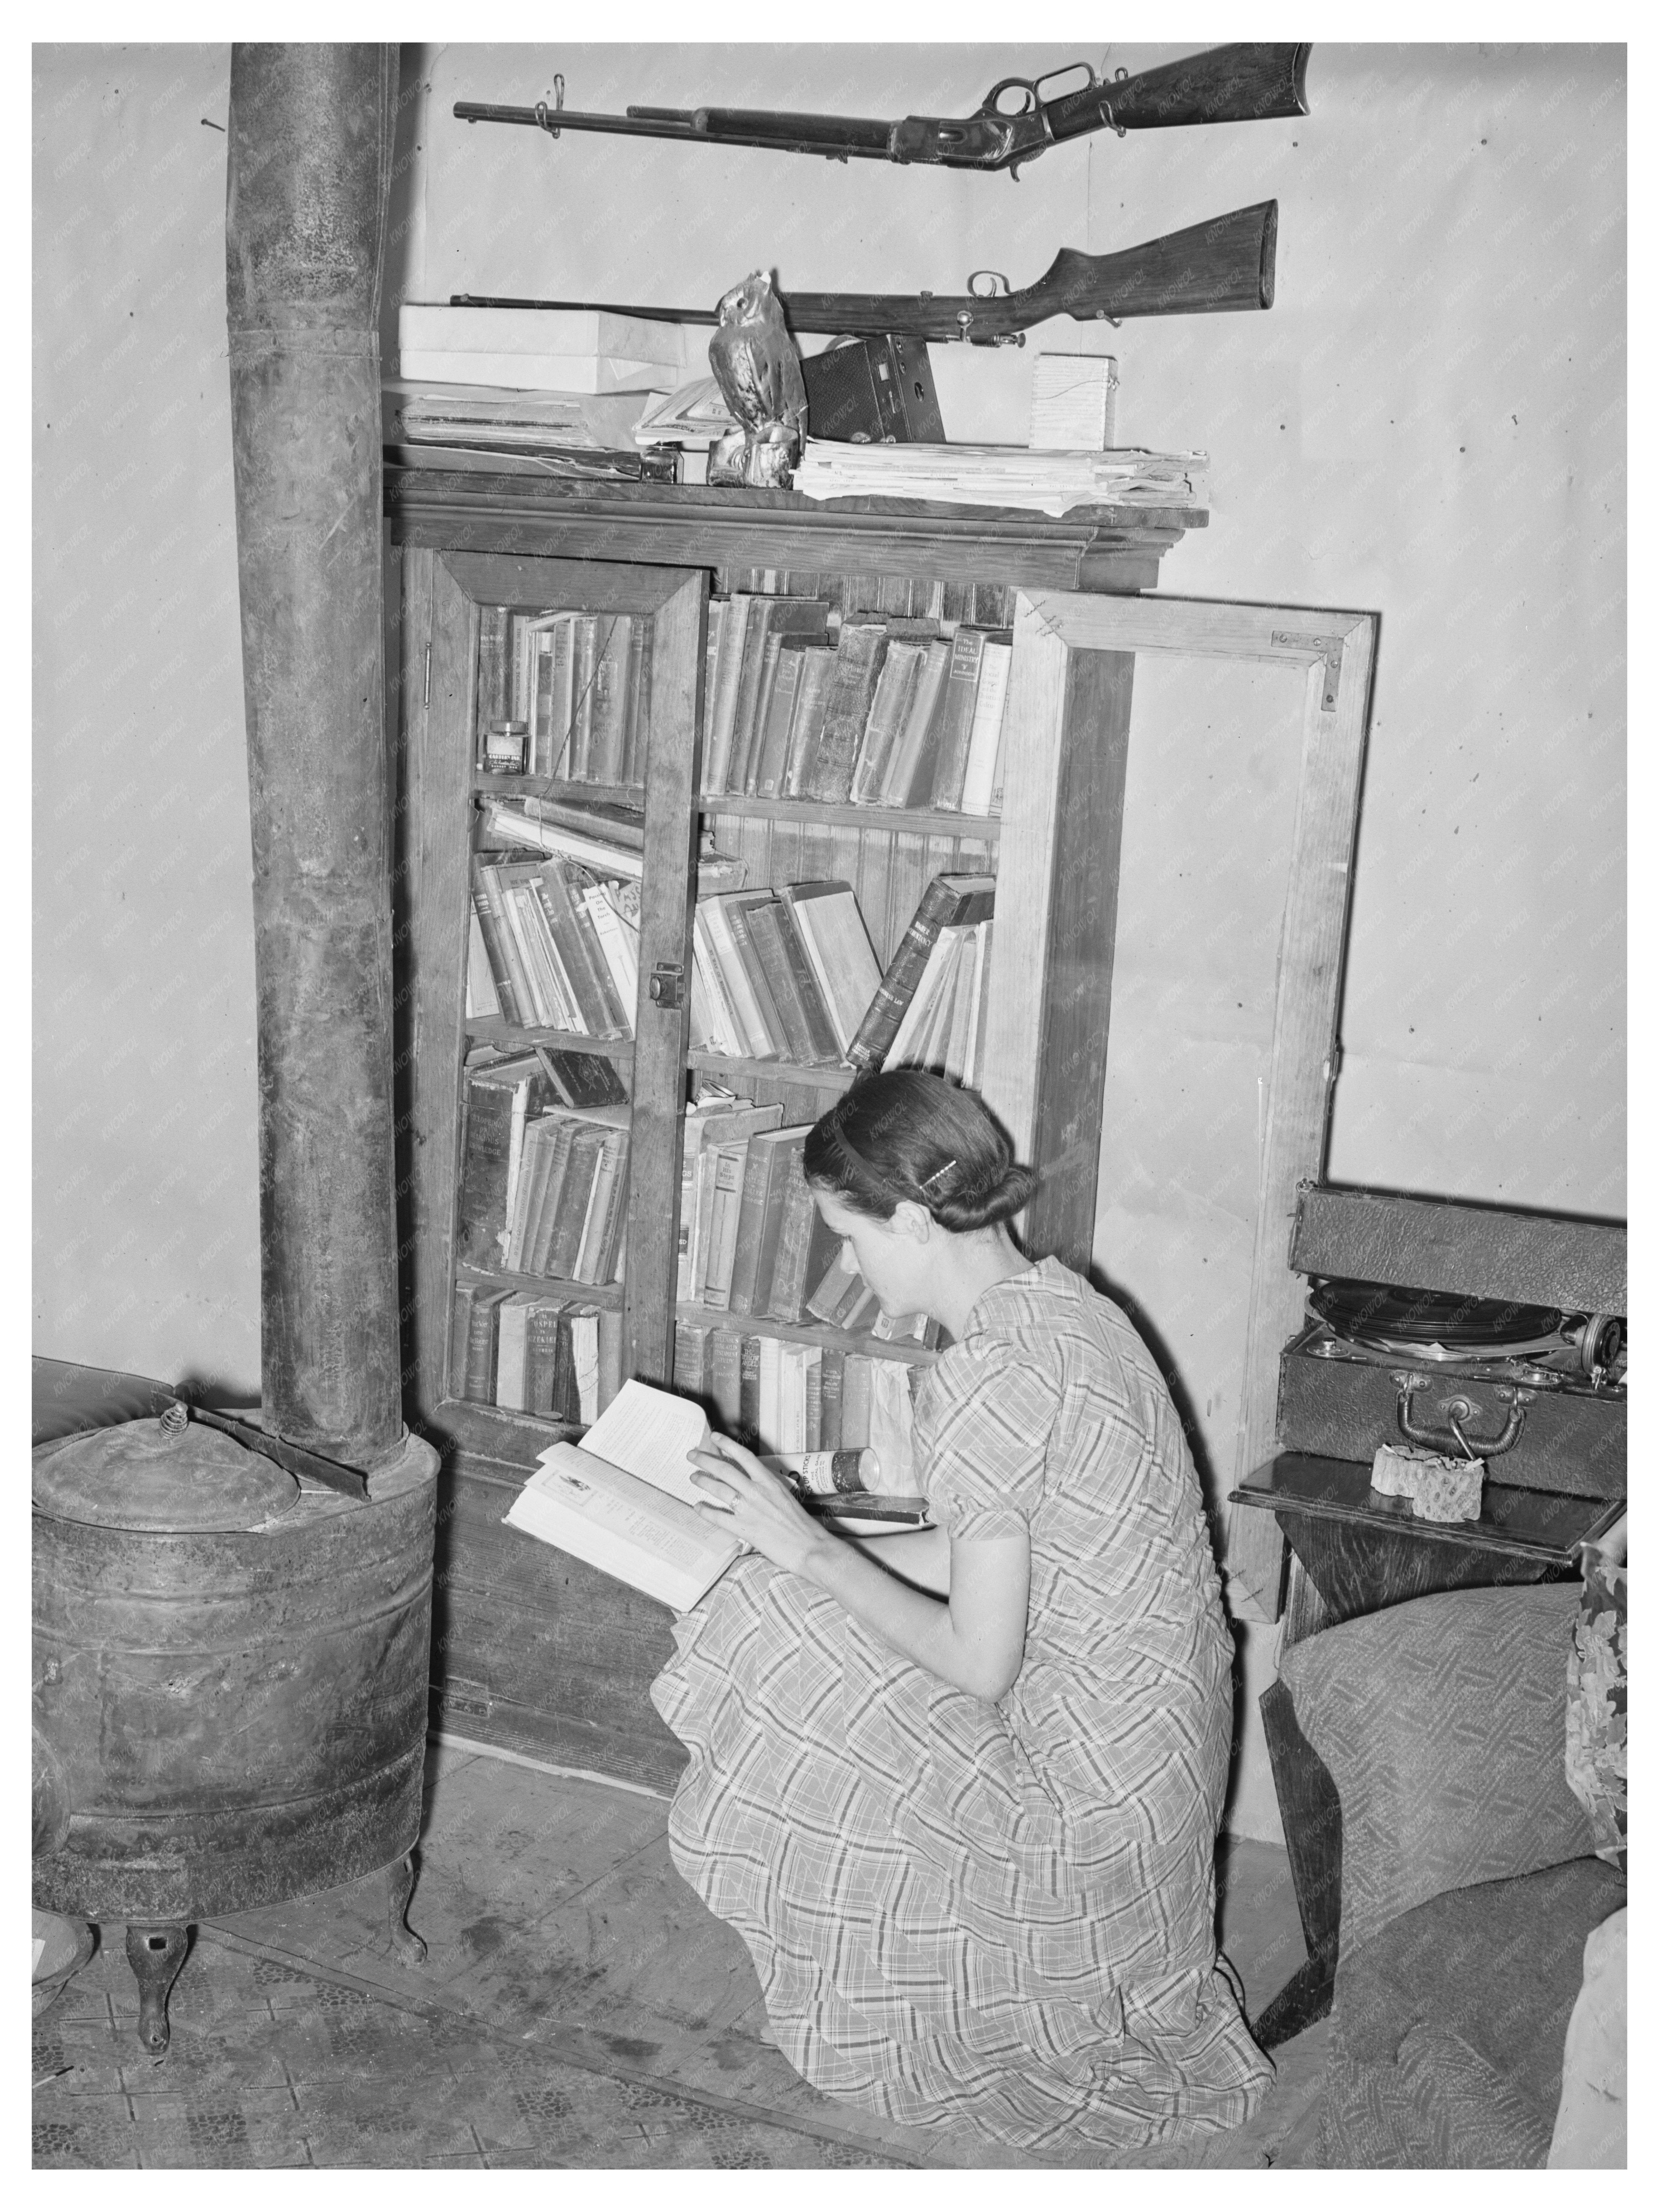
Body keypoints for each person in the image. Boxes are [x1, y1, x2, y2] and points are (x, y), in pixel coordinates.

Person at [649, 1070, 1273, 2155]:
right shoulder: (1070, 1309)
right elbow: (987, 1544)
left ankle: (889, 1968)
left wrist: (803, 1547)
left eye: (848, 1236)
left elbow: (978, 1661)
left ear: (912, 1220)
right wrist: (790, 1549)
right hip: (1157, 1761)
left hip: (1082, 1809)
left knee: (776, 1644)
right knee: (774, 1595)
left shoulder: (985, 1374)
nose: (845, 1265)